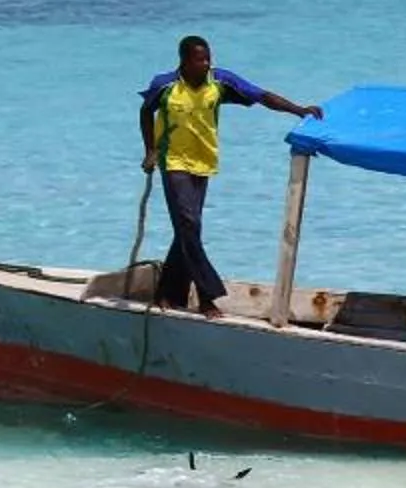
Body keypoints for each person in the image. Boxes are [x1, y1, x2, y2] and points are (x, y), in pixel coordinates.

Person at [137, 36, 321, 314]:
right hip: (173, 162)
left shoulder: (219, 82)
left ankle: (167, 294)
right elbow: (145, 111)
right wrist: (150, 150)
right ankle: (207, 295)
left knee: (188, 229)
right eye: (200, 59)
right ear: (185, 61)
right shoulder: (164, 85)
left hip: (204, 162)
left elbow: (261, 96)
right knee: (188, 224)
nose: (207, 63)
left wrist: (298, 109)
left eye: (209, 57)